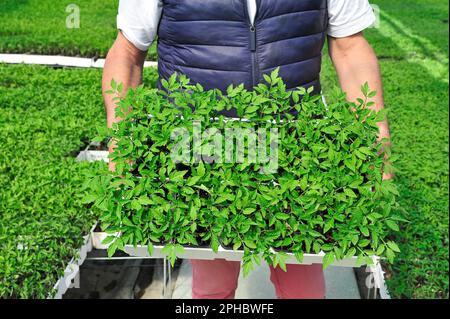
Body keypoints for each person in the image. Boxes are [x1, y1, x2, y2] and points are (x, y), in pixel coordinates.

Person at [102, 0, 393, 299]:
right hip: (202, 148)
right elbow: (128, 51)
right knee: (213, 281)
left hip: (295, 144)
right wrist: (120, 139)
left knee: (303, 284)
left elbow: (350, 47)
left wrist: (377, 136)